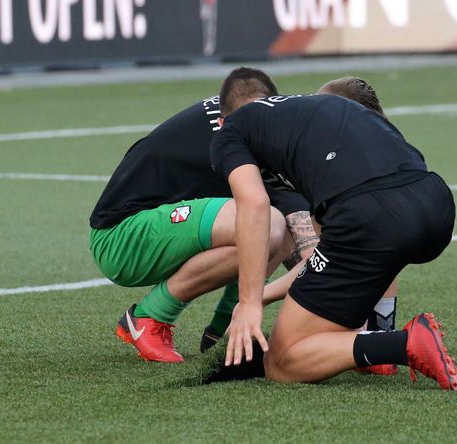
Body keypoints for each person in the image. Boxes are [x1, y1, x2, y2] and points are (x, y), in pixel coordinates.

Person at [210, 76, 457, 391]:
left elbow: (255, 205)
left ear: (224, 120)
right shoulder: (325, 111)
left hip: (371, 219)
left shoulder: (230, 132)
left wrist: (248, 302)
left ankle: (401, 344)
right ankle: (377, 338)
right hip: (435, 205)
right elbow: (327, 253)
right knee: (375, 248)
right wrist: (263, 296)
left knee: (281, 361)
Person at [89, 68, 315, 363]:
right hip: (121, 237)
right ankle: (149, 318)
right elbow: (304, 240)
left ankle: (224, 333)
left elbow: (294, 226)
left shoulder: (238, 114)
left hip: (152, 228)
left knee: (275, 228)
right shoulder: (233, 135)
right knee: (268, 223)